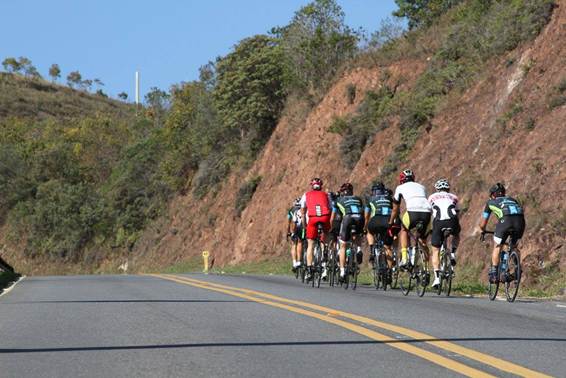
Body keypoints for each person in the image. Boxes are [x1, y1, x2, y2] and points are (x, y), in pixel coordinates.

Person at [478, 183, 525, 284]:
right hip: (520, 221)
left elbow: (483, 223)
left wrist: (482, 230)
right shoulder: (513, 199)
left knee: (498, 245)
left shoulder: (491, 202)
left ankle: (494, 273)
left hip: (506, 221)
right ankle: (517, 269)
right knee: (513, 246)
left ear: (493, 195)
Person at [389, 169, 432, 268]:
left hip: (412, 212)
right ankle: (426, 268)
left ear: (402, 180)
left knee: (403, 230)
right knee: (422, 239)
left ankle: (404, 258)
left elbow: (395, 209)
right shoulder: (422, 187)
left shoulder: (400, 187)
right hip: (427, 213)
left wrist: (390, 222)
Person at [428, 178, 460, 289]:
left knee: (435, 251)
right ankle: (453, 253)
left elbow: (430, 212)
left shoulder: (431, 197)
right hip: (452, 221)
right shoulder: (454, 197)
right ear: (448, 188)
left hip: (438, 223)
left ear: (437, 189)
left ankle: (437, 279)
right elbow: (457, 212)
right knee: (456, 234)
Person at [330, 182, 364, 281]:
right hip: (359, 218)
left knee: (343, 245)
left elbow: (333, 218)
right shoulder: (358, 199)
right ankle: (358, 249)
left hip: (347, 218)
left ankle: (342, 271)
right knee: (357, 235)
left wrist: (331, 228)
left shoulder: (338, 200)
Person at [300, 178, 332, 281]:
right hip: (325, 217)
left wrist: (305, 226)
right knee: (325, 236)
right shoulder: (326, 195)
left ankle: (309, 270)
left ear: (312, 186)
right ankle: (325, 250)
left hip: (313, 218)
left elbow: (303, 213)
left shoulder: (306, 195)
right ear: (321, 186)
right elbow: (331, 208)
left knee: (310, 244)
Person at [364, 182, 395, 273]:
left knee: (369, 231)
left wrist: (365, 227)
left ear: (374, 191)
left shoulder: (370, 199)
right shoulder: (389, 198)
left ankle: (372, 249)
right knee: (388, 247)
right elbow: (395, 211)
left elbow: (366, 216)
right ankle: (389, 271)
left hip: (375, 220)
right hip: (388, 222)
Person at [286, 197, 304, 272]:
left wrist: (288, 232)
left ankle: (294, 263)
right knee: (300, 243)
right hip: (302, 227)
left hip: (295, 228)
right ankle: (299, 261)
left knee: (294, 244)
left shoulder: (291, 210)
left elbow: (288, 222)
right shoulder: (303, 208)